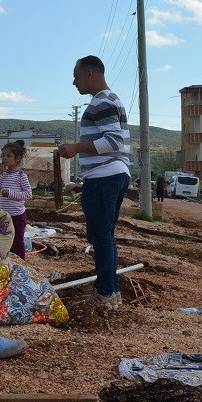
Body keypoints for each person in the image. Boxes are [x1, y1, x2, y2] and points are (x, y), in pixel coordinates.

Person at [58, 55, 130, 310]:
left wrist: (77, 147)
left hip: (104, 176)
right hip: (112, 175)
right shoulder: (110, 101)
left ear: (90, 74)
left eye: (76, 77)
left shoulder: (102, 102)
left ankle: (106, 293)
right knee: (105, 237)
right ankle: (111, 291)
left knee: (100, 237)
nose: (74, 83)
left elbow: (113, 141)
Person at [0, 141, 33, 258]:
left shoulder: (20, 175)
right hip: (4, 215)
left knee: (18, 241)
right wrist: (0, 173)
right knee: (5, 240)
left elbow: (28, 194)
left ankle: (20, 264)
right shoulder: (3, 174)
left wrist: (10, 193)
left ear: (17, 158)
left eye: (8, 156)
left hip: (17, 215)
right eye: (3, 155)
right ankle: (8, 262)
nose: (5, 158)